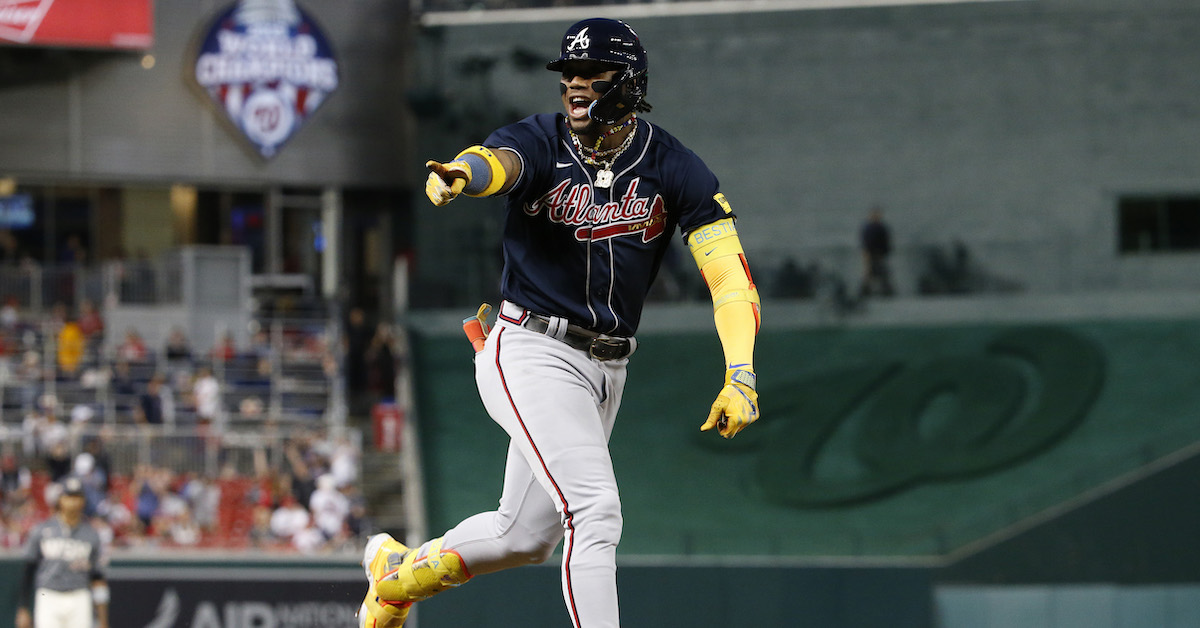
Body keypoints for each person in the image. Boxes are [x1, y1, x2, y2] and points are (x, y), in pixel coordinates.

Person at [358, 18, 761, 628]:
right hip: (531, 349)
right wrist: (464, 177)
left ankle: (396, 578)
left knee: (523, 536)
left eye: (591, 77)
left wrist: (741, 373)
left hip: (608, 367)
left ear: (629, 85)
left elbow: (730, 278)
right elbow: (498, 162)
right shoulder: (542, 140)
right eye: (568, 75)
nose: (574, 88)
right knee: (595, 512)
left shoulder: (673, 165)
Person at [15, 477, 110, 628]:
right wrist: (23, 608)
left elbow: (98, 577)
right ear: (60, 500)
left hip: (79, 594)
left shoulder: (91, 534)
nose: (73, 502)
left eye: (77, 497)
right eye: (69, 497)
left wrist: (103, 618)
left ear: (83, 501)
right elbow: (28, 570)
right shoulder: (42, 530)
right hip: (48, 594)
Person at [858, 205, 895, 297]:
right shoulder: (868, 228)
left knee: (882, 271)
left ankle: (886, 290)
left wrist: (885, 251)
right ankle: (865, 291)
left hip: (879, 253)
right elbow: (865, 241)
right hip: (870, 253)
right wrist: (866, 253)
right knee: (869, 273)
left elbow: (886, 241)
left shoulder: (881, 228)